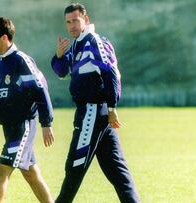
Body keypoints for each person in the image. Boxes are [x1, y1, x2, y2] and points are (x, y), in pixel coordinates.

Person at [51, 3, 140, 203]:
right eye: (68, 22)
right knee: (117, 171)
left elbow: (111, 73)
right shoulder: (76, 44)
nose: (72, 25)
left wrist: (112, 107)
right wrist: (58, 56)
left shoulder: (93, 41)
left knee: (74, 166)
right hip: (92, 114)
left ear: (86, 20)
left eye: (75, 20)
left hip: (92, 113)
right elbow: (61, 72)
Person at [0, 17, 55, 203]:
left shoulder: (21, 61)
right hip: (8, 129)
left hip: (23, 127)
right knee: (30, 173)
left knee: (1, 172)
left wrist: (46, 123)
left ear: (4, 38)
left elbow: (40, 90)